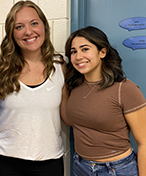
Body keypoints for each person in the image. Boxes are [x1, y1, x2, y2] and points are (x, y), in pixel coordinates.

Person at [0, 0, 67, 176]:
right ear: (12, 34)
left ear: (44, 26)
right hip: (2, 159)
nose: (29, 31)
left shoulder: (60, 66)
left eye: (34, 23)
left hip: (49, 161)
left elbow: (68, 115)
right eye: (19, 26)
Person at [61, 26, 146, 176]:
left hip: (116, 169)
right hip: (80, 166)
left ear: (102, 52)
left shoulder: (125, 89)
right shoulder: (74, 86)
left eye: (85, 49)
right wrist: (62, 87)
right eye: (73, 51)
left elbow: (144, 142)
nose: (78, 56)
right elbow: (70, 120)